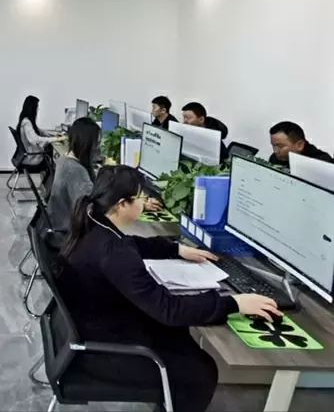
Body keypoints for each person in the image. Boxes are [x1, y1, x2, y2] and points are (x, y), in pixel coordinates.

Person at [57, 165, 279, 412]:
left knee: (182, 337)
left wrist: (175, 249)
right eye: (140, 198)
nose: (144, 203)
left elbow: (131, 244)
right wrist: (234, 303)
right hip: (102, 352)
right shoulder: (113, 252)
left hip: (94, 328)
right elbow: (169, 309)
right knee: (200, 373)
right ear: (122, 204)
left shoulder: (95, 225)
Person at [16, 95, 65, 168]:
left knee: (51, 149)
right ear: (32, 108)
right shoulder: (26, 123)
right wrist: (57, 139)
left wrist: (56, 134)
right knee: (54, 152)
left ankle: (52, 173)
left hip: (29, 155)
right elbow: (36, 140)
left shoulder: (26, 120)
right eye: (37, 107)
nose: (37, 109)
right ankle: (55, 172)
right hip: (33, 158)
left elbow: (41, 131)